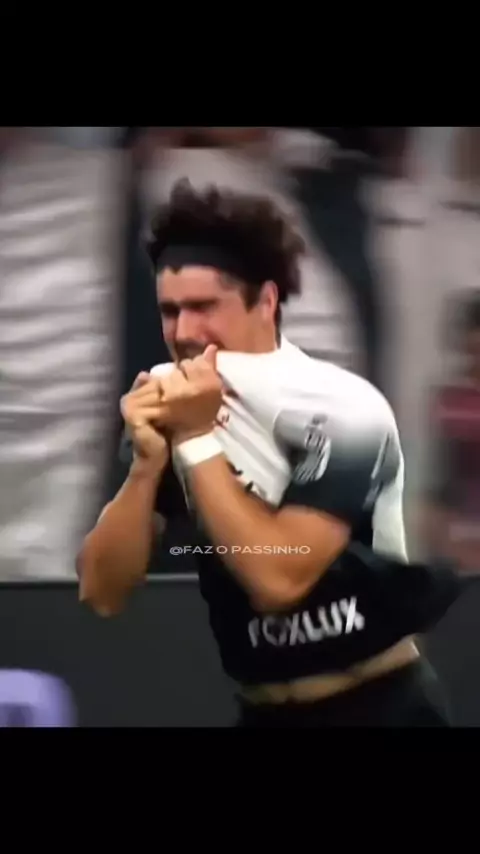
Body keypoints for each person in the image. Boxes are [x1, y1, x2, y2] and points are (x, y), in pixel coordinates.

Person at [78, 179, 457, 727]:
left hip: (379, 704)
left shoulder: (343, 408)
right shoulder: (169, 406)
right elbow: (102, 591)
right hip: (262, 712)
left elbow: (279, 581)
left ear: (267, 301)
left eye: (204, 307)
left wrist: (196, 439)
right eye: (170, 311)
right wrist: (144, 465)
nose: (183, 332)